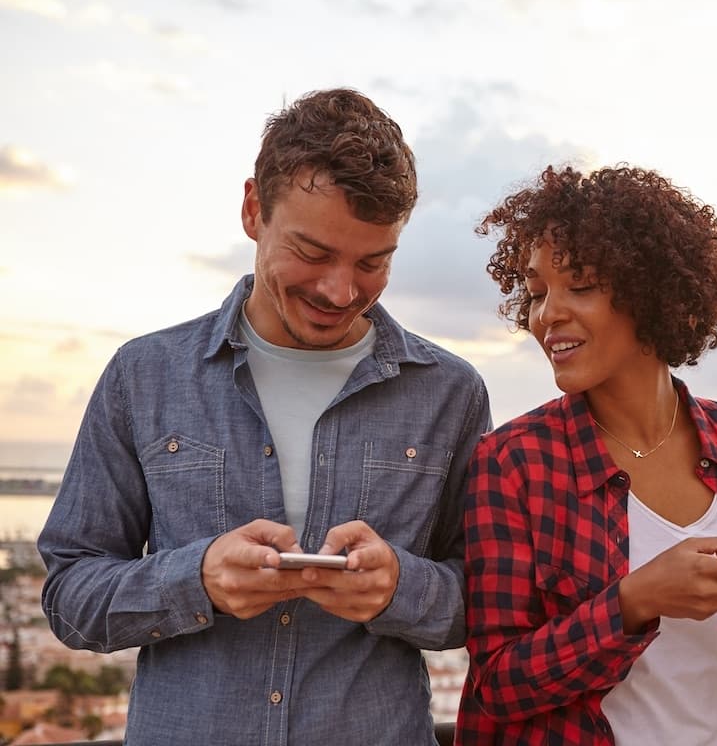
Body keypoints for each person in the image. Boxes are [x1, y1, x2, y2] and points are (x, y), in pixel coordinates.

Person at [38, 88, 491, 745]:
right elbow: (69, 597)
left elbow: (487, 602)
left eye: (372, 263)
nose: (341, 291)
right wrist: (195, 580)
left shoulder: (451, 394)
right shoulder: (142, 377)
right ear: (253, 209)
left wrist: (403, 588)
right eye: (312, 252)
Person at [454, 165, 717, 746]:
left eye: (581, 287)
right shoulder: (511, 462)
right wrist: (635, 601)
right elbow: (500, 683)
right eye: (538, 293)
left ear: (650, 295)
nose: (547, 315)